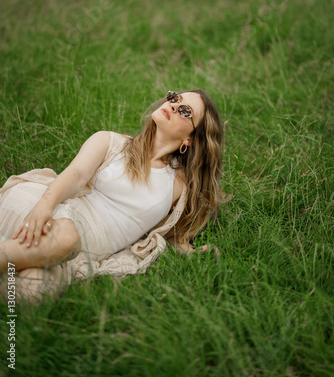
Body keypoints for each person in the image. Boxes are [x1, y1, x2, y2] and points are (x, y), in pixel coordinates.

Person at [0, 89, 229, 303]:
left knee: (32, 293)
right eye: (174, 98)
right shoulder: (111, 143)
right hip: (58, 214)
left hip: (81, 254)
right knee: (66, 240)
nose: (173, 105)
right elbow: (75, 176)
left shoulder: (179, 186)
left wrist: (193, 251)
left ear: (190, 139)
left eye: (185, 111)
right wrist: (44, 206)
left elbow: (169, 234)